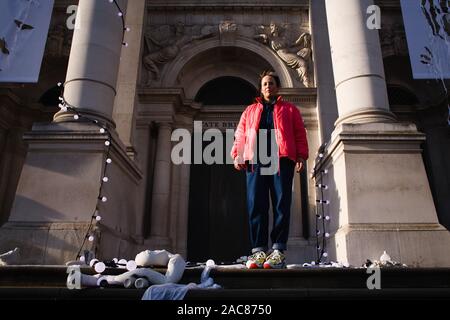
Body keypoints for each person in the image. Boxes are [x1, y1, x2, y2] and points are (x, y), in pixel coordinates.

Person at [231, 71, 309, 269]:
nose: (268, 86)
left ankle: (277, 251)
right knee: (256, 203)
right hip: (255, 159)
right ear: (261, 87)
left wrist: (301, 155)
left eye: (271, 83)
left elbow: (299, 133)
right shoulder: (249, 111)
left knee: (281, 203)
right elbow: (240, 133)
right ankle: (258, 251)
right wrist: (237, 154)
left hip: (281, 158)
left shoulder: (290, 110)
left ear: (277, 87)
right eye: (265, 83)